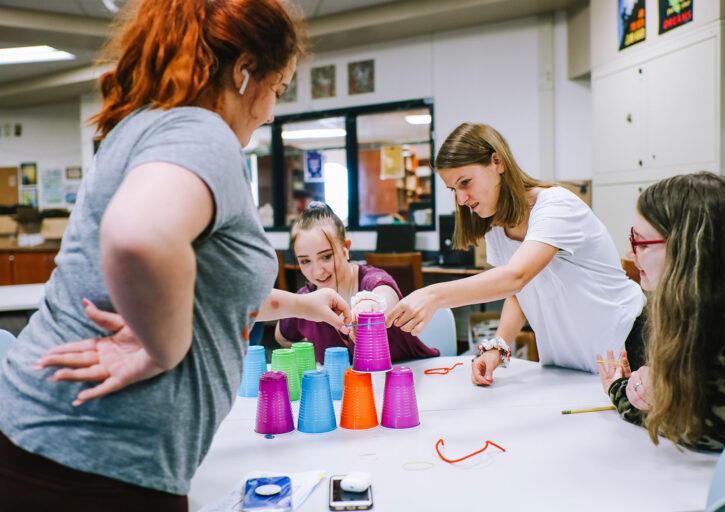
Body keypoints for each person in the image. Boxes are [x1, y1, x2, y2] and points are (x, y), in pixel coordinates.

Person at [0, 1, 352, 509]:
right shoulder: (203, 133)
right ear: (243, 70)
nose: (272, 109)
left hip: (59, 442)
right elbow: (140, 236)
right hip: (92, 457)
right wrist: (162, 349)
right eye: (276, 89)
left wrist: (302, 305)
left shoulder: (150, 125)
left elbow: (206, 290)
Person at [386, 122, 646, 381]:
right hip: (572, 365)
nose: (461, 199)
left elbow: (516, 276)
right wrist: (498, 347)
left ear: (497, 162)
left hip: (629, 347)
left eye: (465, 182)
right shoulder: (497, 230)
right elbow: (517, 293)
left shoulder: (556, 205)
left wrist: (432, 295)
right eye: (453, 189)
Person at [597, 172, 725, 451]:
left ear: (686, 249)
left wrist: (623, 392)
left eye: (639, 241)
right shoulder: (720, 303)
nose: (630, 253)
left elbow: (703, 428)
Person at [275, 201, 440, 363]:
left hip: (409, 382)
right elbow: (282, 337)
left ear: (345, 247)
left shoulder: (372, 279)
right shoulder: (306, 298)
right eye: (305, 261)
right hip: (347, 389)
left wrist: (369, 304)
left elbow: (386, 297)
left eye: (326, 256)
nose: (318, 271)